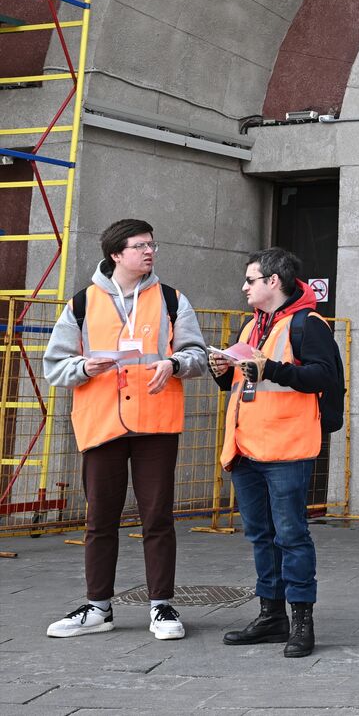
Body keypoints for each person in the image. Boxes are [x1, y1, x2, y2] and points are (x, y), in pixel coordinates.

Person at [42, 219, 207, 640]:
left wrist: (174, 363)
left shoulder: (172, 300)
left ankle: (161, 607)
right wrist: (82, 367)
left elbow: (197, 355)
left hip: (155, 424)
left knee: (158, 518)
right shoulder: (81, 304)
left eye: (152, 244)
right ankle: (98, 607)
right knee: (99, 520)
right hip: (101, 424)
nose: (149, 252)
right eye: (139, 246)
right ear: (117, 254)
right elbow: (54, 366)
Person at [210, 247, 343, 658]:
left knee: (291, 536)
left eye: (250, 279)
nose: (243, 287)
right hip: (246, 447)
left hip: (286, 448)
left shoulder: (308, 324)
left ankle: (302, 620)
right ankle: (272, 616)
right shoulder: (252, 325)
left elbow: (325, 375)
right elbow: (245, 382)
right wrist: (222, 373)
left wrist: (274, 369)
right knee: (260, 536)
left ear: (273, 281)